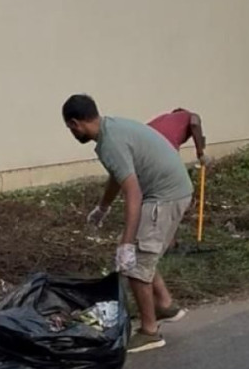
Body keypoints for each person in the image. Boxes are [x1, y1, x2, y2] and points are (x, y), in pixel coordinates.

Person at [62, 94, 193, 353]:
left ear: (76, 123)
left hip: (164, 197)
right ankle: (165, 304)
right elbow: (118, 174)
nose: (71, 132)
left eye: (70, 128)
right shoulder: (111, 129)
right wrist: (103, 207)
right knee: (140, 251)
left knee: (135, 266)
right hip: (172, 190)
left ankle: (150, 332)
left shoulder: (110, 142)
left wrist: (125, 245)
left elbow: (134, 193)